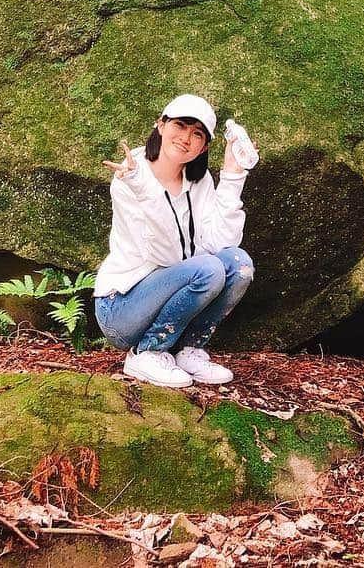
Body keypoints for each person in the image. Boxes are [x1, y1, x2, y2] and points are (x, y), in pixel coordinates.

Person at [93, 93, 255, 388]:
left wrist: (233, 176)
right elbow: (164, 255)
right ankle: (147, 352)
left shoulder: (199, 181)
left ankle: (188, 349)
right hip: (121, 308)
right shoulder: (131, 178)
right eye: (180, 125)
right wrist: (143, 189)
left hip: (175, 287)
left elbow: (222, 243)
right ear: (160, 124)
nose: (185, 138)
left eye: (197, 134)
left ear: (205, 146)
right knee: (208, 269)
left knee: (238, 263)